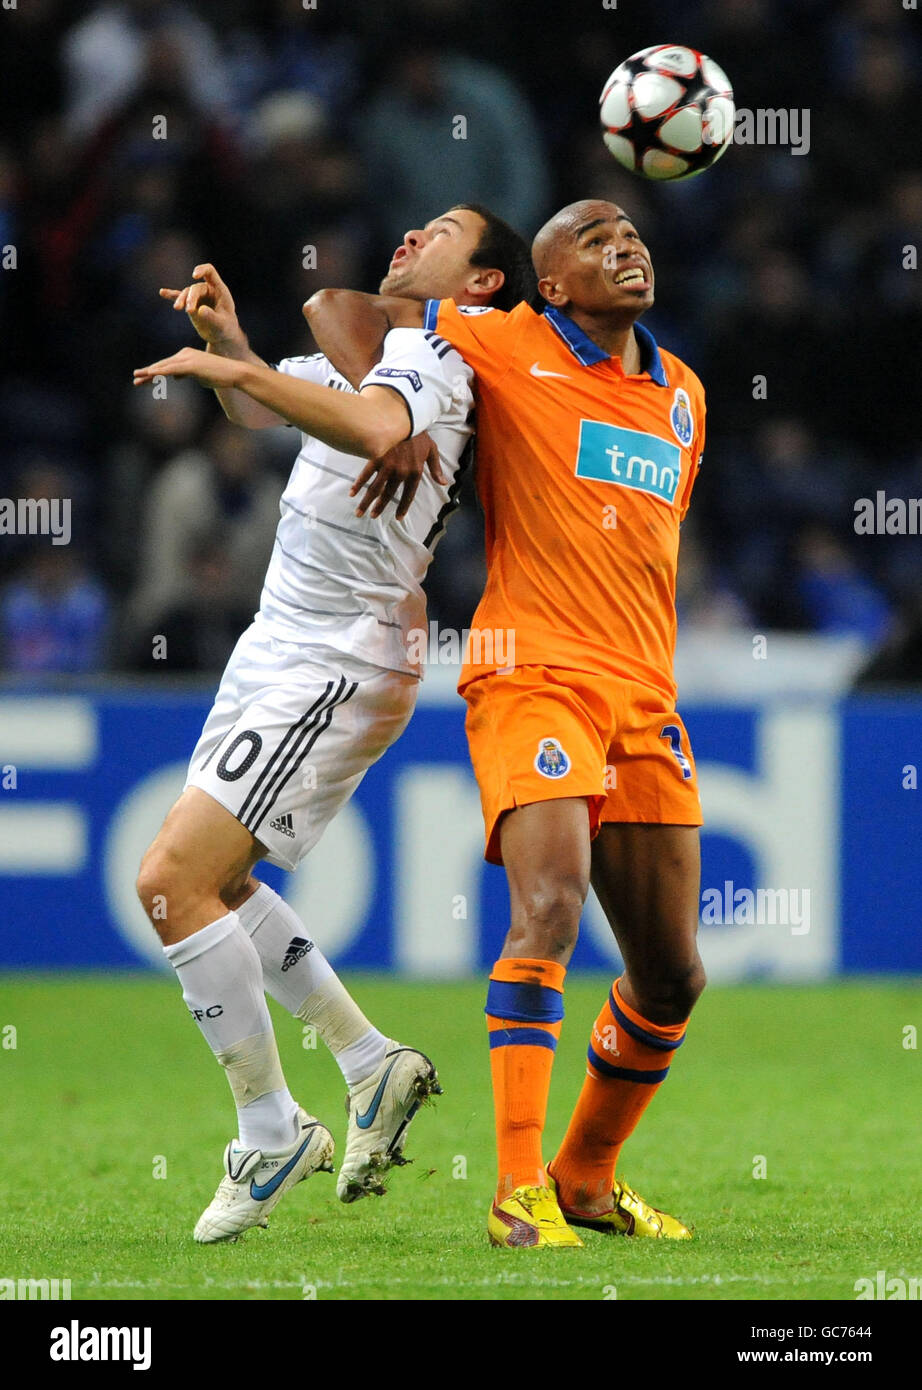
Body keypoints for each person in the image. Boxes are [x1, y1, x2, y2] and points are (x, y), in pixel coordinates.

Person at [303, 200, 708, 1249]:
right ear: (552, 284)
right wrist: (395, 409)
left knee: (670, 974)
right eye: (592, 238)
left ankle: (583, 1178)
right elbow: (343, 306)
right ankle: (514, 1188)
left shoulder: (683, 397)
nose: (624, 244)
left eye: (630, 232)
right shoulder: (495, 338)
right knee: (550, 907)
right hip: (530, 670)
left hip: (643, 695)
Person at [132, 203, 536, 1242]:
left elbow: (373, 429)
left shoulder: (437, 360)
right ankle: (368, 1062)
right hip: (285, 637)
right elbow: (274, 416)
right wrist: (237, 353)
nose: (411, 235)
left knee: (169, 884)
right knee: (216, 884)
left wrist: (236, 373)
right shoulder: (389, 350)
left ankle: (271, 1127)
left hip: (335, 650)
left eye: (444, 232)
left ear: (482, 283)